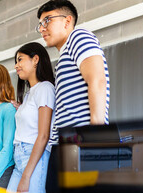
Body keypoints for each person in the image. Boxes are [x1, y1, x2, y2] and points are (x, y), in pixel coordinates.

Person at [36, 0, 110, 144]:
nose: (42, 29)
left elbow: (97, 80)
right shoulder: (64, 56)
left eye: (47, 20)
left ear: (67, 21)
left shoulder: (78, 36)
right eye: (40, 24)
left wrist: (95, 135)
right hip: (67, 141)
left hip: (83, 139)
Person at [7, 42, 55, 193]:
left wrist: (27, 175)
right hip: (20, 156)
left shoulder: (45, 88)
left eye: (20, 59)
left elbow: (43, 135)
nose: (16, 66)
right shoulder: (29, 94)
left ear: (35, 59)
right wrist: (19, 107)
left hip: (33, 155)